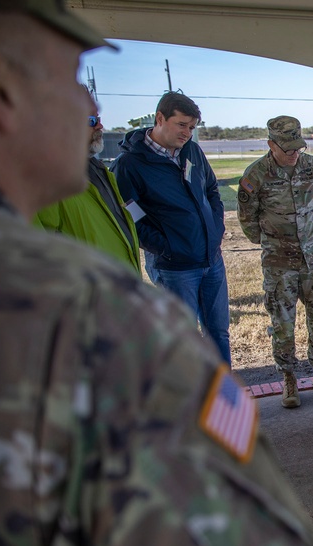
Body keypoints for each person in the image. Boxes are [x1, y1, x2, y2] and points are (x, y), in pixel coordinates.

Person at [0, 3, 313, 546]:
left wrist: (209, 239)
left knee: (221, 338)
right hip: (180, 272)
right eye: (73, 74)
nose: (88, 106)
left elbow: (217, 200)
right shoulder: (90, 319)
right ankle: (293, 376)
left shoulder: (187, 167)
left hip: (211, 265)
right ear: (0, 85)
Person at [113, 91, 232, 365]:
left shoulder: (191, 150)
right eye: (181, 125)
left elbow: (212, 189)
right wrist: (167, 248)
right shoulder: (130, 164)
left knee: (218, 334)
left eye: (191, 127)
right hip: (174, 268)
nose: (187, 133)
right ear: (159, 118)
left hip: (211, 260)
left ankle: (224, 399)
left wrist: (215, 230)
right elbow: (131, 216)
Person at [237, 115, 313, 408]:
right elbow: (248, 221)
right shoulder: (256, 175)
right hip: (278, 263)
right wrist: (274, 242)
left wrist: (306, 238)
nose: (294, 153)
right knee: (282, 323)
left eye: (298, 146)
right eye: (287, 148)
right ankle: (289, 379)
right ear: (271, 144)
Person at [34, 98, 141, 274]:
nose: (100, 126)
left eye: (98, 119)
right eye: (91, 120)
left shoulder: (98, 170)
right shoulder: (43, 179)